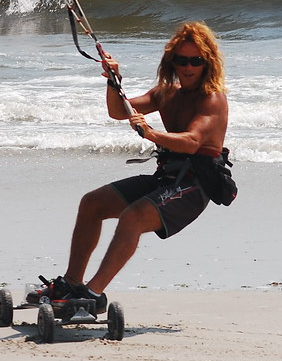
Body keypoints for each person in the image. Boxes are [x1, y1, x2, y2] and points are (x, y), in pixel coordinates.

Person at [32, 21, 229, 312]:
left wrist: (150, 133)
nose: (188, 67)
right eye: (182, 60)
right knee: (92, 203)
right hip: (166, 179)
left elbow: (190, 141)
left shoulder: (212, 99)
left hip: (194, 186)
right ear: (171, 61)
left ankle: (92, 294)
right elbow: (118, 110)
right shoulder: (166, 93)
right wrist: (114, 80)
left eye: (196, 61)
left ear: (207, 63)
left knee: (133, 217)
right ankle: (72, 284)